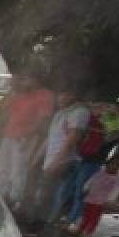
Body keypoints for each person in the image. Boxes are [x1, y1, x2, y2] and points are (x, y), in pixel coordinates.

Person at [0, 73, 54, 212]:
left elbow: (43, 119)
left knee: (18, 170)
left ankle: (14, 200)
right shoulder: (19, 94)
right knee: (2, 167)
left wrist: (29, 135)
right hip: (8, 134)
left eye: (26, 78)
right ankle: (1, 196)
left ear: (35, 80)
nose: (23, 82)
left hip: (24, 138)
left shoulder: (44, 95)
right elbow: (5, 112)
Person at [38, 84, 90, 228]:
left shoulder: (79, 112)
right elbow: (49, 138)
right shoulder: (60, 113)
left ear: (73, 95)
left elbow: (72, 140)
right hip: (52, 161)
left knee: (57, 193)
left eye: (65, 94)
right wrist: (37, 158)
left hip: (66, 161)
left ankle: (49, 223)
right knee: (48, 193)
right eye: (60, 94)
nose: (60, 98)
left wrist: (56, 162)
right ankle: (45, 222)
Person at [66, 152, 119, 237]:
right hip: (90, 198)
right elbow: (91, 180)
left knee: (94, 218)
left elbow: (116, 190)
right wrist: (85, 189)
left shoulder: (117, 179)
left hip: (101, 202)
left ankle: (87, 233)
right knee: (85, 215)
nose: (113, 166)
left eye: (116, 165)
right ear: (107, 163)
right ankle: (80, 229)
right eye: (112, 163)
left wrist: (109, 201)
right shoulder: (100, 173)